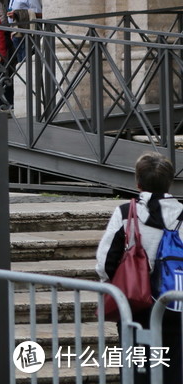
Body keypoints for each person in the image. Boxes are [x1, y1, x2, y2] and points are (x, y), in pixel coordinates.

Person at [95, 152, 183, 384]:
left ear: (138, 182)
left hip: (135, 302)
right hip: (177, 302)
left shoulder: (125, 213)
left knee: (136, 363)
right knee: (174, 363)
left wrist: (113, 288)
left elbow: (105, 263)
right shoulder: (182, 214)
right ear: (170, 182)